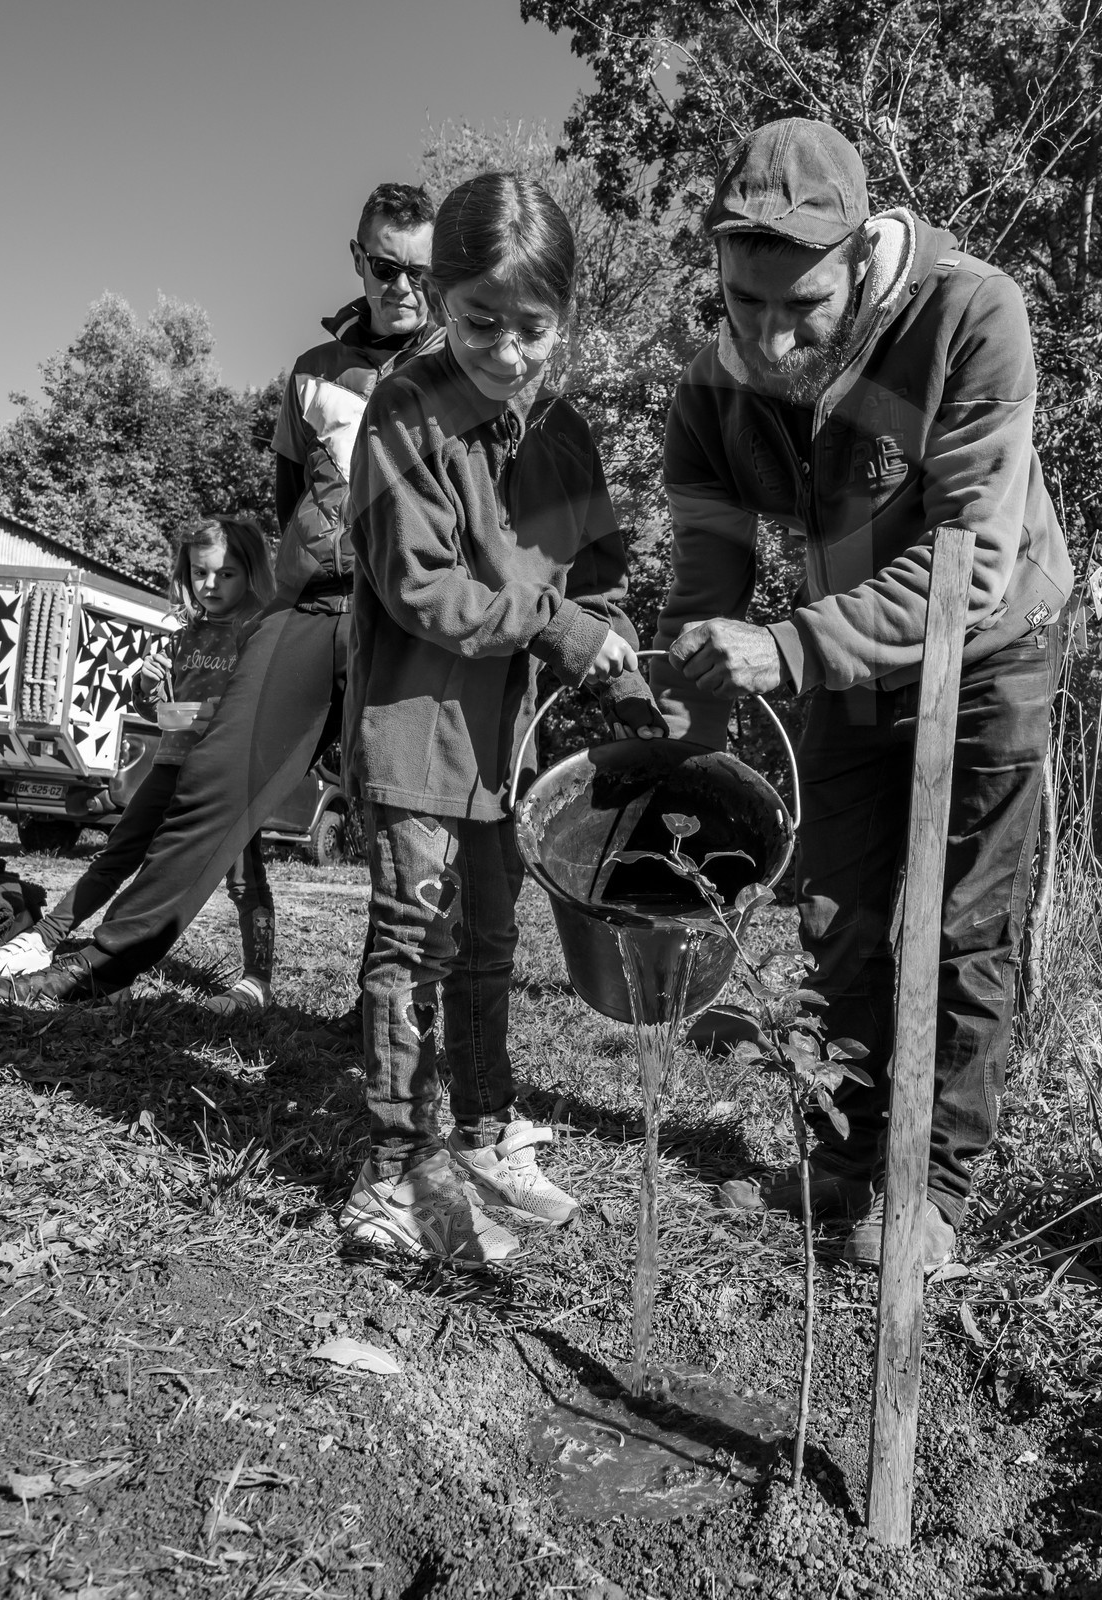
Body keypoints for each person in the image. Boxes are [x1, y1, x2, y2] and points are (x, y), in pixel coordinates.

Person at [650, 119, 1075, 1268]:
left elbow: (967, 569)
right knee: (835, 915)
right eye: (744, 303)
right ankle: (840, 1163)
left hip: (988, 646)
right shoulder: (714, 390)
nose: (771, 335)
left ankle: (931, 1190)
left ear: (859, 263)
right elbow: (708, 565)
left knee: (962, 922)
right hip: (840, 656)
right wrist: (693, 708)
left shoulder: (971, 315)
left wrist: (784, 650)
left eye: (803, 308)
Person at [0, 183, 442, 1007]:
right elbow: (294, 494)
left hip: (405, 613)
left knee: (397, 815)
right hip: (310, 605)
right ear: (358, 259)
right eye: (385, 265)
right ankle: (98, 965)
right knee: (211, 779)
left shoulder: (456, 365)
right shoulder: (312, 374)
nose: (403, 286)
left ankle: (384, 1008)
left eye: (422, 270)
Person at [337, 172, 666, 1265]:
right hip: (415, 723)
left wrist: (619, 668)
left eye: (533, 328)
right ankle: (390, 1168)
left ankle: (478, 1138)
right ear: (439, 296)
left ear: (563, 319)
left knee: (486, 944)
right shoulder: (404, 412)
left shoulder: (563, 437)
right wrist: (554, 625)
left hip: (503, 745)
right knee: (411, 942)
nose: (508, 351)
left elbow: (601, 579)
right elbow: (417, 583)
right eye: (481, 321)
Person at [0, 519, 277, 1013]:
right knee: (117, 854)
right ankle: (43, 939)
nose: (211, 585)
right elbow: (159, 713)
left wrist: (188, 713)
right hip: (171, 763)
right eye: (200, 573)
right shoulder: (186, 633)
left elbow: (248, 711)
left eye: (227, 575)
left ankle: (257, 979)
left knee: (244, 878)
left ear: (251, 573)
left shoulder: (257, 631)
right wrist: (148, 685)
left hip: (228, 776)